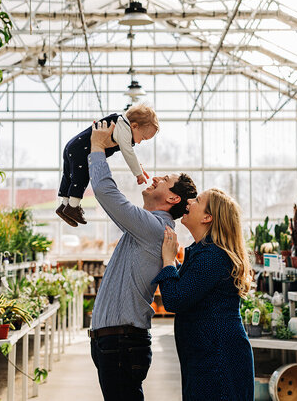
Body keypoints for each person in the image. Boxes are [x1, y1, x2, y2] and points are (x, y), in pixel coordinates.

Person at [87, 119, 197, 401]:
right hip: (115, 341)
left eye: (165, 180)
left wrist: (98, 148)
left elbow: (106, 193)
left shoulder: (155, 228)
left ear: (173, 198)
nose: (155, 178)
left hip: (122, 343)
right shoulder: (147, 227)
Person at [153, 188, 254, 401]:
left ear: (207, 217)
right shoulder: (204, 252)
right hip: (207, 355)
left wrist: (169, 262)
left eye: (197, 200)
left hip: (218, 359)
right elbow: (192, 287)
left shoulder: (213, 256)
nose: (189, 201)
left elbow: (174, 299)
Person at [56, 103, 159, 227]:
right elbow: (128, 153)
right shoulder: (124, 129)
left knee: (68, 176)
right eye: (143, 138)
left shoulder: (119, 121)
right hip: (81, 152)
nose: (140, 142)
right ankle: (72, 207)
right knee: (81, 178)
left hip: (71, 146)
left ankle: (64, 205)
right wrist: (138, 174)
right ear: (135, 126)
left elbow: (126, 150)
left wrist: (138, 165)